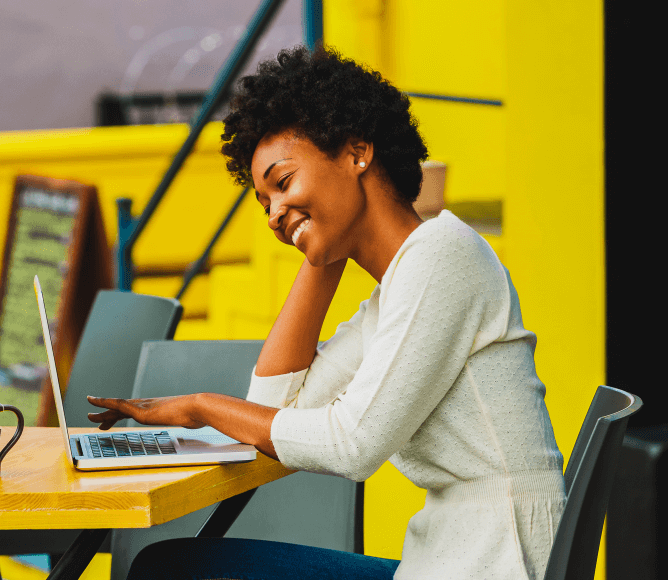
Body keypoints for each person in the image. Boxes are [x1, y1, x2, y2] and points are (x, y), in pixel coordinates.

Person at [87, 45, 566, 580]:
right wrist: (322, 251)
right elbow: (274, 407)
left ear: (357, 152)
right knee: (171, 565)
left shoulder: (443, 256)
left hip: (497, 563)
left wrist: (201, 406)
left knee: (173, 571)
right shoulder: (399, 286)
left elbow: (351, 446)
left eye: (282, 182)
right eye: (264, 201)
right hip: (449, 561)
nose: (272, 215)